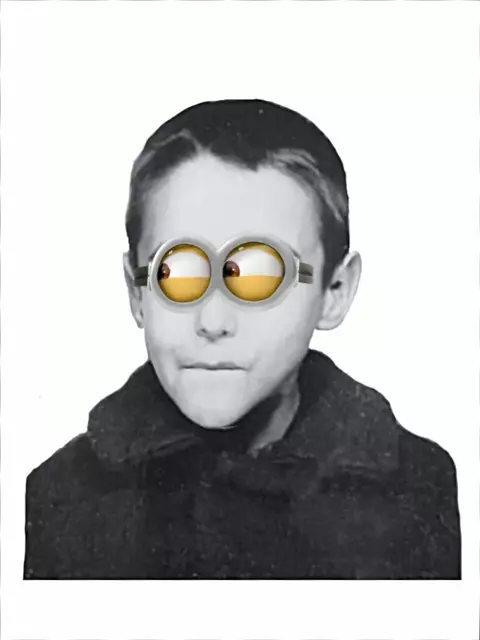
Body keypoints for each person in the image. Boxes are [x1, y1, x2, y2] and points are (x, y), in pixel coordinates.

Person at [24, 99, 461, 579]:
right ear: (137, 291)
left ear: (334, 291)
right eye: (179, 271)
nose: (213, 320)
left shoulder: (417, 489)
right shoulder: (62, 497)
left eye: (257, 274)